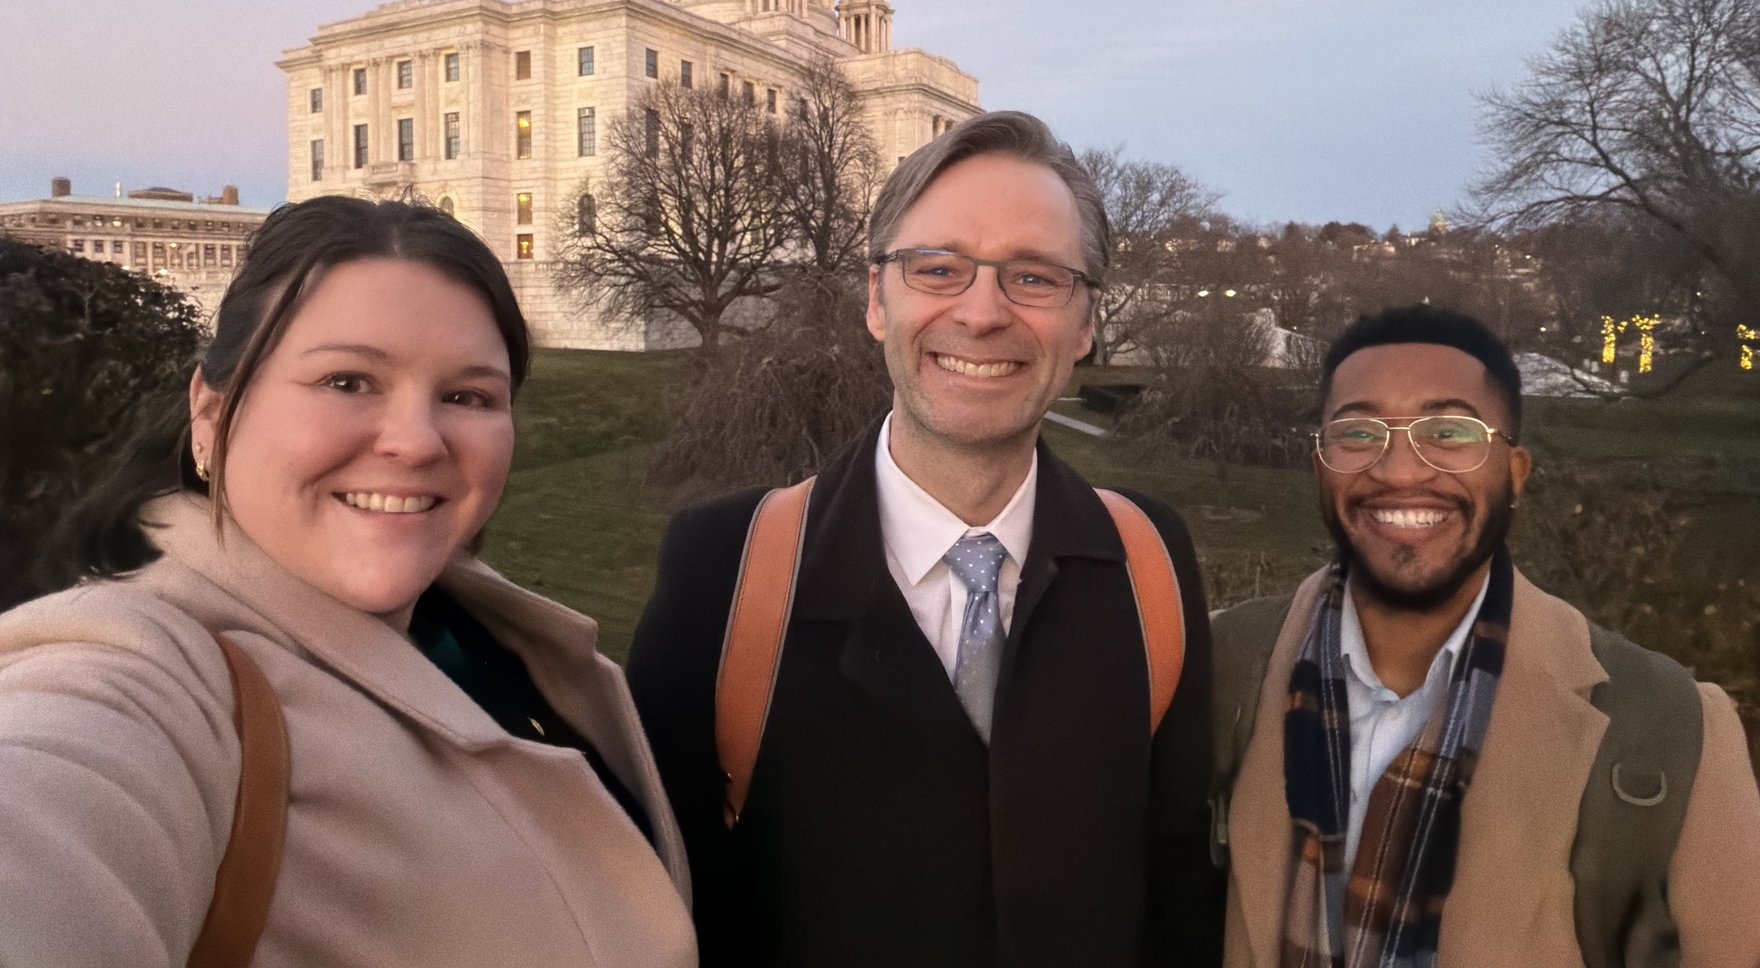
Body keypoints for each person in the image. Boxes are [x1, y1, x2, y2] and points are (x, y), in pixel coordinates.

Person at [0, 197, 696, 967]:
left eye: (467, 396)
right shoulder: (142, 679)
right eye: (347, 381)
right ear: (210, 410)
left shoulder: (477, 636)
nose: (415, 442)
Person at [627, 111, 1220, 968]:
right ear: (877, 300)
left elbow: (1177, 895)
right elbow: (656, 904)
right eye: (938, 269)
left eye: (1036, 277)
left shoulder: (1149, 563)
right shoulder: (725, 567)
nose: (982, 313)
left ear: (1087, 322)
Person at [1211, 303, 1760, 968]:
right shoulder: (1222, 671)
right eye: (1358, 433)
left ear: (1516, 474)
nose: (1400, 470)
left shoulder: (1671, 732)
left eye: (1449, 431)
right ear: (1320, 465)